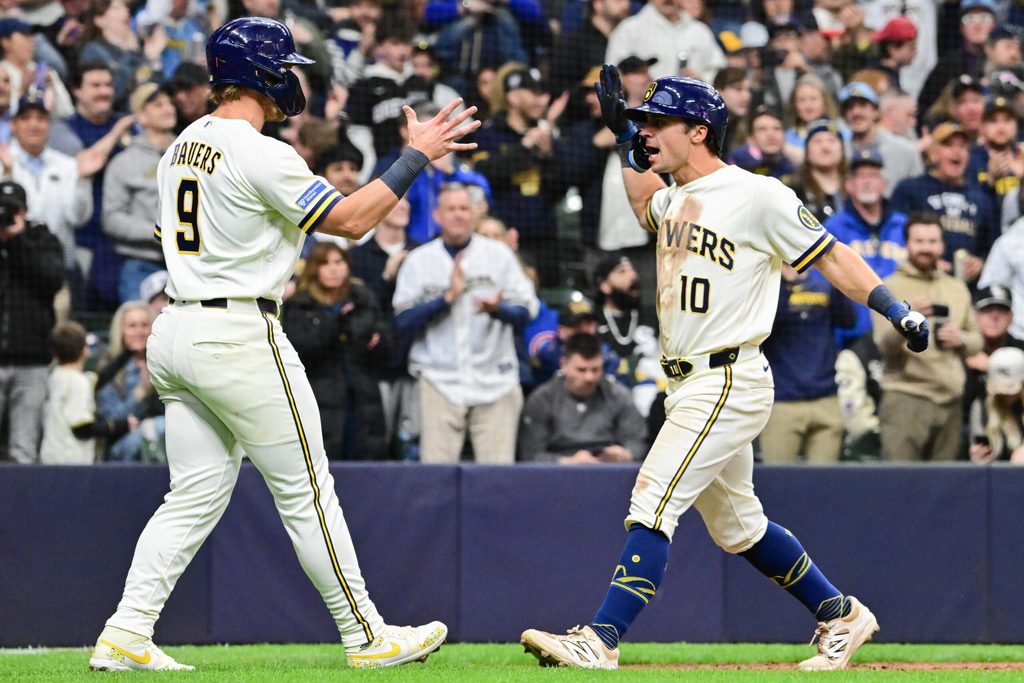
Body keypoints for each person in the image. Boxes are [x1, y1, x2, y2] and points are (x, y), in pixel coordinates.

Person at [88, 17, 478, 672]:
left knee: (190, 495)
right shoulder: (259, 150)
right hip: (237, 331)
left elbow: (168, 232)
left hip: (177, 326)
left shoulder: (182, 143)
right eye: (284, 67)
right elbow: (351, 222)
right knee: (308, 491)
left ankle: (125, 632)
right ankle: (366, 635)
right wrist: (416, 155)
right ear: (260, 73)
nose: (292, 77)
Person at [521, 66, 930, 671]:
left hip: (728, 377)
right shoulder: (674, 195)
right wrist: (620, 138)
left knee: (652, 499)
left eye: (659, 123)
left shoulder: (758, 194)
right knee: (740, 527)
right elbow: (643, 206)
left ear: (699, 129)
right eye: (644, 123)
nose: (647, 132)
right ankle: (840, 613)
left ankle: (600, 639)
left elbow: (832, 255)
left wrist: (895, 307)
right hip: (686, 381)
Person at [392, 183, 538, 464]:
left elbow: (526, 310)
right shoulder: (419, 260)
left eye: (464, 209)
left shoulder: (498, 255)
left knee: (496, 480)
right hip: (438, 380)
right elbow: (402, 320)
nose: (458, 215)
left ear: (474, 215)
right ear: (437, 215)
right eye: (451, 209)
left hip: (495, 380)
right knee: (436, 476)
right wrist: (445, 300)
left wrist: (498, 310)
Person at [873, 214, 981, 461]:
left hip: (951, 402)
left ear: (942, 245)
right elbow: (884, 346)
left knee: (943, 493)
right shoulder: (888, 287)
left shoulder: (956, 287)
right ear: (906, 244)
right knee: (899, 488)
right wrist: (906, 320)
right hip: (906, 398)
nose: (926, 248)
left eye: (932, 241)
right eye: (919, 241)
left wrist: (961, 338)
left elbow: (978, 342)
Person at [283, 242, 391, 460]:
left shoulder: (363, 299)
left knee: (367, 466)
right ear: (314, 268)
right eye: (325, 263)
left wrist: (378, 340)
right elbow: (298, 349)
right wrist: (335, 324)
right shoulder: (300, 304)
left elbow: (386, 344)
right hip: (319, 398)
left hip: (362, 398)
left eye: (339, 262)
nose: (334, 269)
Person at [759, 265, 857, 463]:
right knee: (778, 483)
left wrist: (836, 281)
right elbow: (767, 327)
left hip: (825, 399)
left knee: (823, 486)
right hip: (782, 402)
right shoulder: (766, 286)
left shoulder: (822, 284)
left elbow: (849, 320)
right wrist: (784, 283)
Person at [0, 179, 63, 464]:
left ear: (25, 211)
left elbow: (51, 280)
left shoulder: (41, 239)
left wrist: (18, 240)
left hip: (32, 360)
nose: (8, 215)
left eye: (13, 209)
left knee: (23, 449)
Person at [889, 122, 997, 281]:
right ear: (933, 153)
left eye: (962, 146)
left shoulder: (981, 198)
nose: (957, 151)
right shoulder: (910, 189)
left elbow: (992, 245)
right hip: (919, 279)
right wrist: (925, 260)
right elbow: (894, 237)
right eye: (948, 145)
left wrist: (981, 262)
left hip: (968, 287)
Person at [518, 332, 646, 463]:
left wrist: (625, 454)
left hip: (609, 468)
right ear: (563, 364)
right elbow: (531, 454)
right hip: (558, 473)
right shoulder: (542, 399)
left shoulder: (619, 395)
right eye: (581, 370)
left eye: (595, 370)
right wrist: (568, 462)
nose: (589, 377)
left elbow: (638, 442)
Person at [825, 149, 908, 349]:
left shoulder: (905, 226)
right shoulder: (832, 227)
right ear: (849, 185)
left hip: (900, 337)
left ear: (884, 184)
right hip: (850, 339)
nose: (868, 182)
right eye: (861, 177)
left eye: (873, 175)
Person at [102, 82, 176, 302]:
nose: (168, 108)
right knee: (140, 330)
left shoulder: (187, 151)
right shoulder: (124, 162)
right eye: (158, 104)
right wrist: (157, 232)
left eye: (169, 103)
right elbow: (111, 218)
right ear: (141, 116)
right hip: (140, 263)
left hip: (185, 262)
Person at [40, 321, 135, 465]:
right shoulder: (79, 382)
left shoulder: (55, 376)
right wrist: (120, 425)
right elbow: (82, 428)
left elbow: (100, 379)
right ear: (85, 350)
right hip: (72, 462)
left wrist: (127, 353)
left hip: (50, 458)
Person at [96, 301, 163, 462]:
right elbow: (111, 418)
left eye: (144, 325)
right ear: (121, 331)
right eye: (132, 326)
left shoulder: (163, 363)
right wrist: (140, 393)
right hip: (122, 445)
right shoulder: (109, 368)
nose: (139, 332)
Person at [604, 0, 725, 83]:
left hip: (691, 110)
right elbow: (613, 72)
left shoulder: (700, 30)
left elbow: (720, 70)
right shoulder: (629, 28)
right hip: (643, 112)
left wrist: (701, 79)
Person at [839, 81, 923, 195]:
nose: (856, 112)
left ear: (875, 111)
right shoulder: (838, 152)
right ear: (844, 116)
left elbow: (919, 193)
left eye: (863, 105)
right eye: (849, 108)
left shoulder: (906, 151)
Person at [968, 346, 1024, 463]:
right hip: (997, 474)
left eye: (1011, 389)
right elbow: (979, 445)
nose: (1005, 395)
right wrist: (980, 457)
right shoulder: (981, 406)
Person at [791, 118, 845, 222]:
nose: (825, 147)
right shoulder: (794, 192)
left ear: (842, 150)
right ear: (807, 151)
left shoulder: (854, 189)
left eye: (831, 140)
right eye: (817, 141)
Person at [726, 105, 795, 180]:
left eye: (776, 128)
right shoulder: (738, 166)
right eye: (762, 129)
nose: (770, 134)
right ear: (750, 139)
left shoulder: (791, 169)